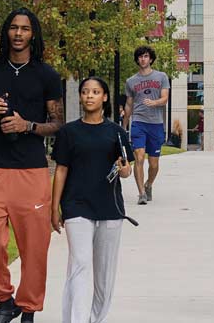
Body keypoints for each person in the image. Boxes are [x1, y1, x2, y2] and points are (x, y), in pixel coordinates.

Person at [0, 8, 65, 323]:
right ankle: (4, 299)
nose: (18, 33)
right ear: (6, 32)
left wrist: (27, 126)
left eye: (24, 28)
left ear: (33, 34)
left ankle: (28, 309)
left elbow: (58, 123)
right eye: (13, 27)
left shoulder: (47, 76)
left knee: (34, 246)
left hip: (32, 170)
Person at [50, 77, 135, 323]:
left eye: (95, 92)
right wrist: (54, 208)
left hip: (110, 208)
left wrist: (122, 169)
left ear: (104, 97)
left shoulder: (116, 132)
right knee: (80, 264)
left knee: (105, 275)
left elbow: (127, 170)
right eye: (85, 92)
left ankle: (95, 319)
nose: (89, 96)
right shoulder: (69, 132)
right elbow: (61, 170)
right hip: (76, 206)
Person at [122, 45, 170, 205]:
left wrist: (154, 102)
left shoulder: (161, 76)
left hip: (156, 124)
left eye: (146, 56)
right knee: (139, 157)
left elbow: (165, 98)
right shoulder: (131, 81)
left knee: (154, 163)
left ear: (151, 59)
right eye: (140, 57)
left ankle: (148, 184)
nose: (143, 59)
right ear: (137, 59)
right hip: (138, 122)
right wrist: (124, 126)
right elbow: (129, 105)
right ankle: (141, 193)